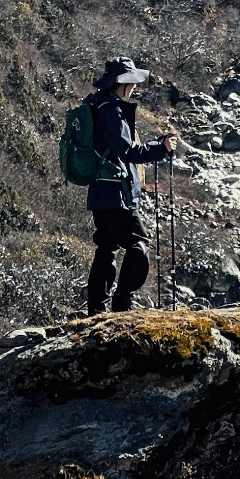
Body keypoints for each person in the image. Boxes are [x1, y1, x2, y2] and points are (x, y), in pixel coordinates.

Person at [84, 58, 176, 315]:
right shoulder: (111, 110)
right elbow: (127, 150)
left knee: (107, 248)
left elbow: (115, 147)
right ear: (122, 83)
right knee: (139, 244)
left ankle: (97, 310)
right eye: (132, 82)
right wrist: (161, 149)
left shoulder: (95, 104)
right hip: (116, 193)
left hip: (100, 190)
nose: (134, 87)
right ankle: (123, 303)